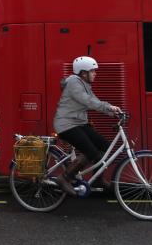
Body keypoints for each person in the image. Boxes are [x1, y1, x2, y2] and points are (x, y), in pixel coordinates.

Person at [52, 56, 121, 196]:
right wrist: (110, 108)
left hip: (78, 123)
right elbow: (89, 102)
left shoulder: (84, 85)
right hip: (66, 124)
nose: (95, 73)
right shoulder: (74, 84)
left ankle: (97, 179)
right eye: (93, 71)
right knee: (91, 152)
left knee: (105, 147)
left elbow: (95, 101)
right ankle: (64, 178)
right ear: (83, 73)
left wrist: (112, 112)